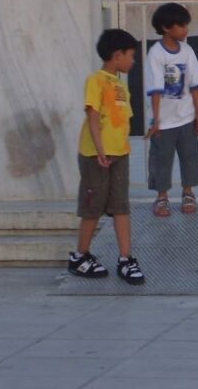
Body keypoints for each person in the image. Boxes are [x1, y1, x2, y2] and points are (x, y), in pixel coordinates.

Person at [68, 28, 145, 285]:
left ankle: (126, 258)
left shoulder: (121, 85)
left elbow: (123, 121)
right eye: (131, 56)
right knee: (93, 207)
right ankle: (80, 256)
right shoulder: (96, 80)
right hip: (95, 155)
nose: (133, 61)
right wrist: (101, 150)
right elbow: (92, 115)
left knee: (121, 205)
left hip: (119, 154)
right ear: (117, 54)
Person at [146, 2, 198, 216]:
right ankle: (161, 197)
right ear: (166, 28)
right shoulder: (155, 54)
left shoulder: (188, 51)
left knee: (190, 156)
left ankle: (188, 192)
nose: (186, 30)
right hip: (164, 120)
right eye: (181, 26)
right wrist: (156, 120)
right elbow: (155, 90)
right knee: (162, 158)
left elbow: (196, 86)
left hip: (186, 117)